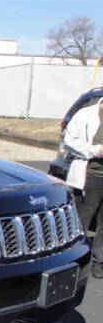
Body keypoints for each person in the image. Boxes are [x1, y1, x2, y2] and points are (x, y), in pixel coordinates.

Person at [64, 96, 103, 278]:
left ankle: (99, 263)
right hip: (91, 176)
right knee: (82, 220)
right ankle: (75, 261)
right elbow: (69, 141)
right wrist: (96, 150)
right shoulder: (86, 114)